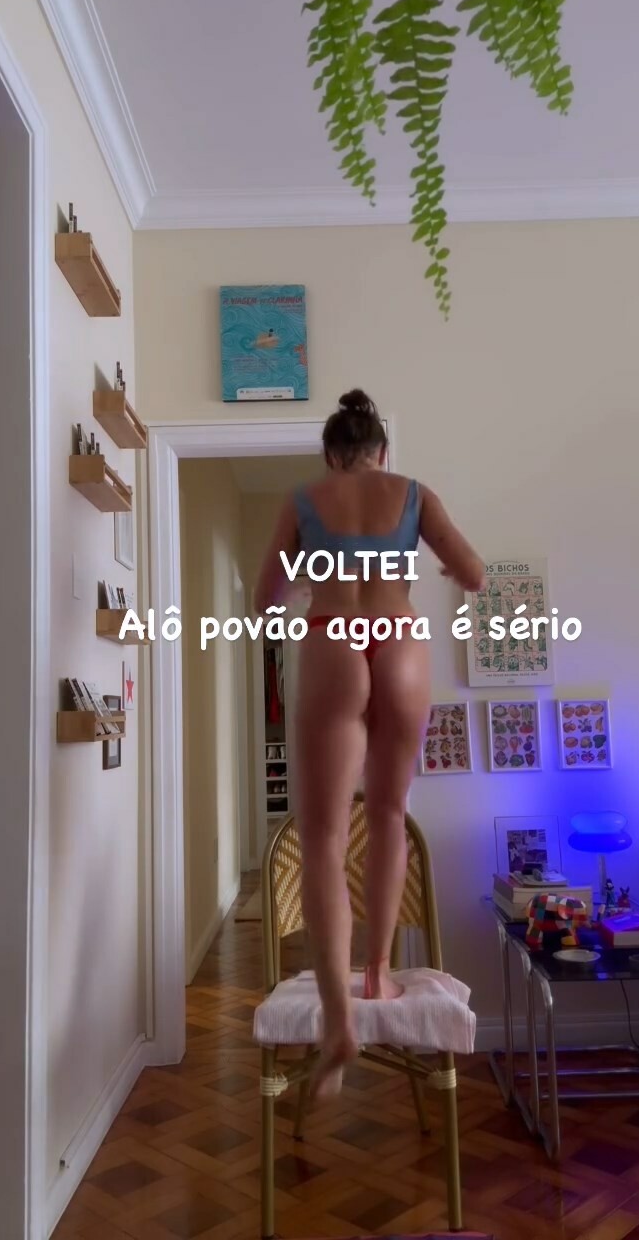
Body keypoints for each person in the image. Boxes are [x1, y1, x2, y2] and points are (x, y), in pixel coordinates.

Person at [253, 390, 485, 1100]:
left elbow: (264, 600)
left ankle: (336, 1018)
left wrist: (306, 587)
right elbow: (474, 573)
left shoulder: (304, 499)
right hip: (400, 642)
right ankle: (379, 974)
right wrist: (442, 568)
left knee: (323, 836)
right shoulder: (413, 493)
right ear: (381, 451)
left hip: (332, 642)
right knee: (387, 815)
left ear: (332, 454)